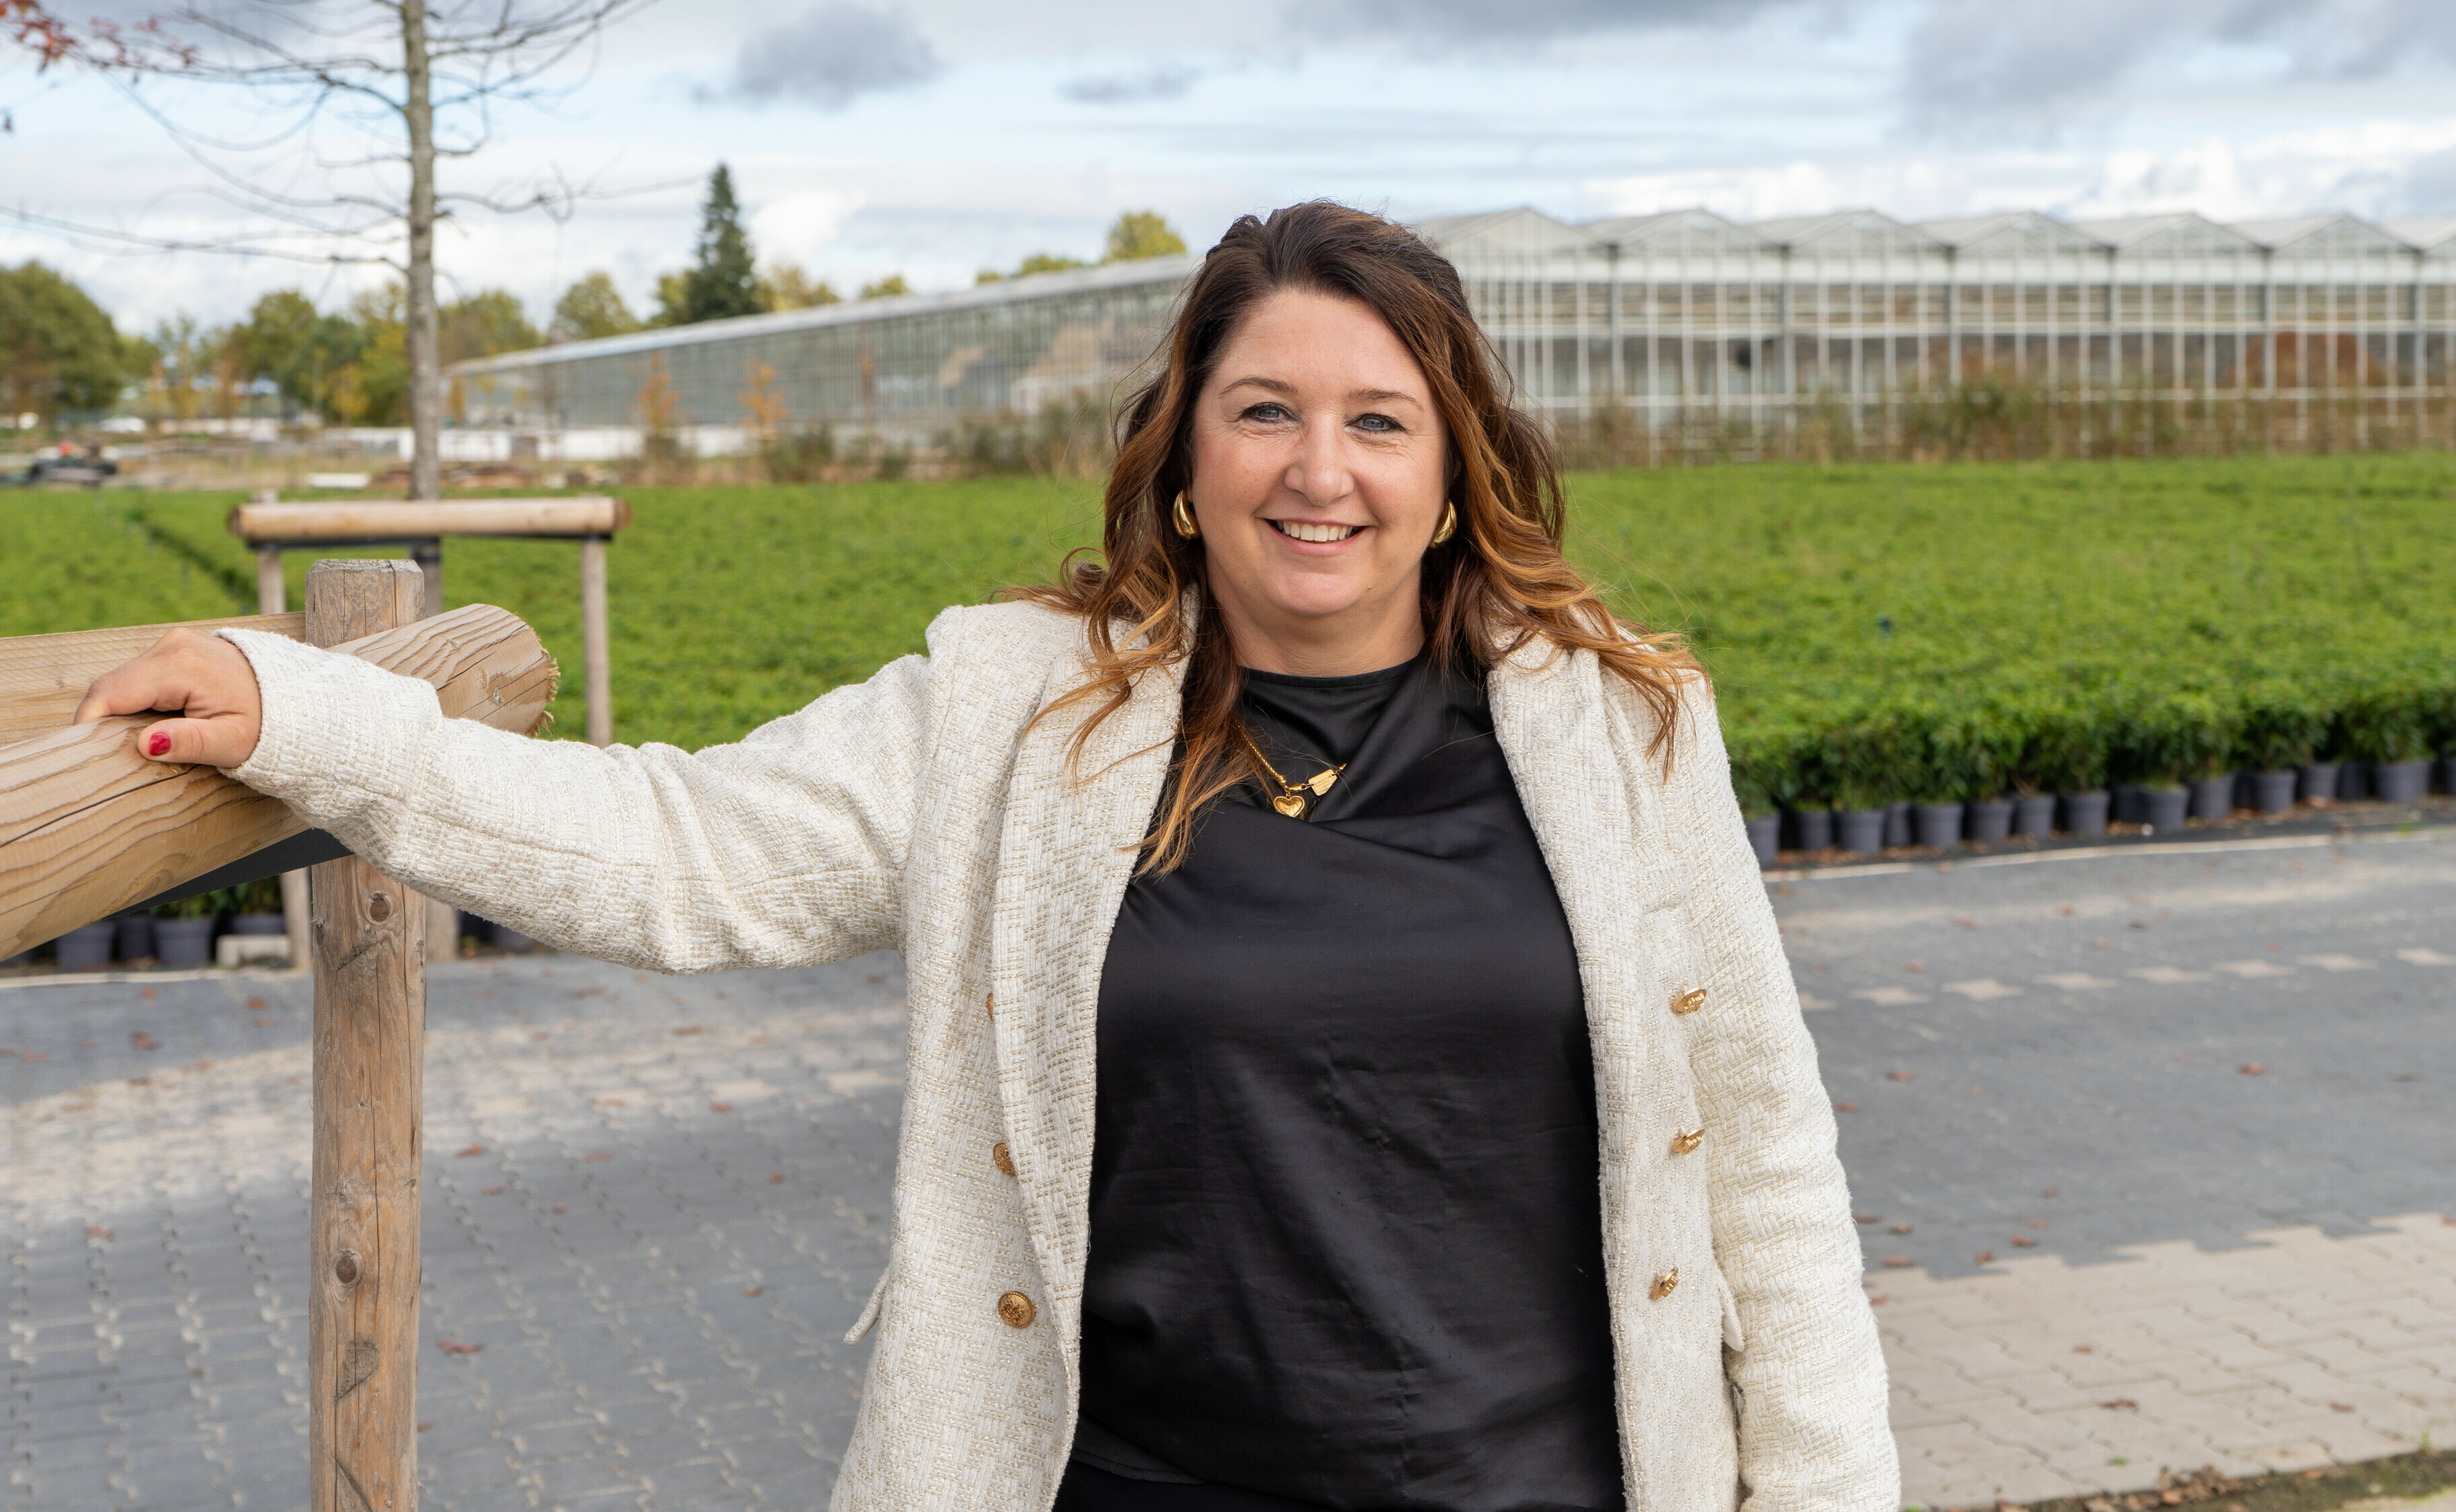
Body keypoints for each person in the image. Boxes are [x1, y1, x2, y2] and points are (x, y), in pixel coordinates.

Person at [77, 201, 1897, 1512]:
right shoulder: (1024, 713)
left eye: (1376, 419)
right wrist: (319, 719)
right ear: (1184, 450)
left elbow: (1762, 1162)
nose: (1315, 468)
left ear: (1451, 464)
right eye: (1263, 408)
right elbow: (685, 851)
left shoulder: (1618, 728)